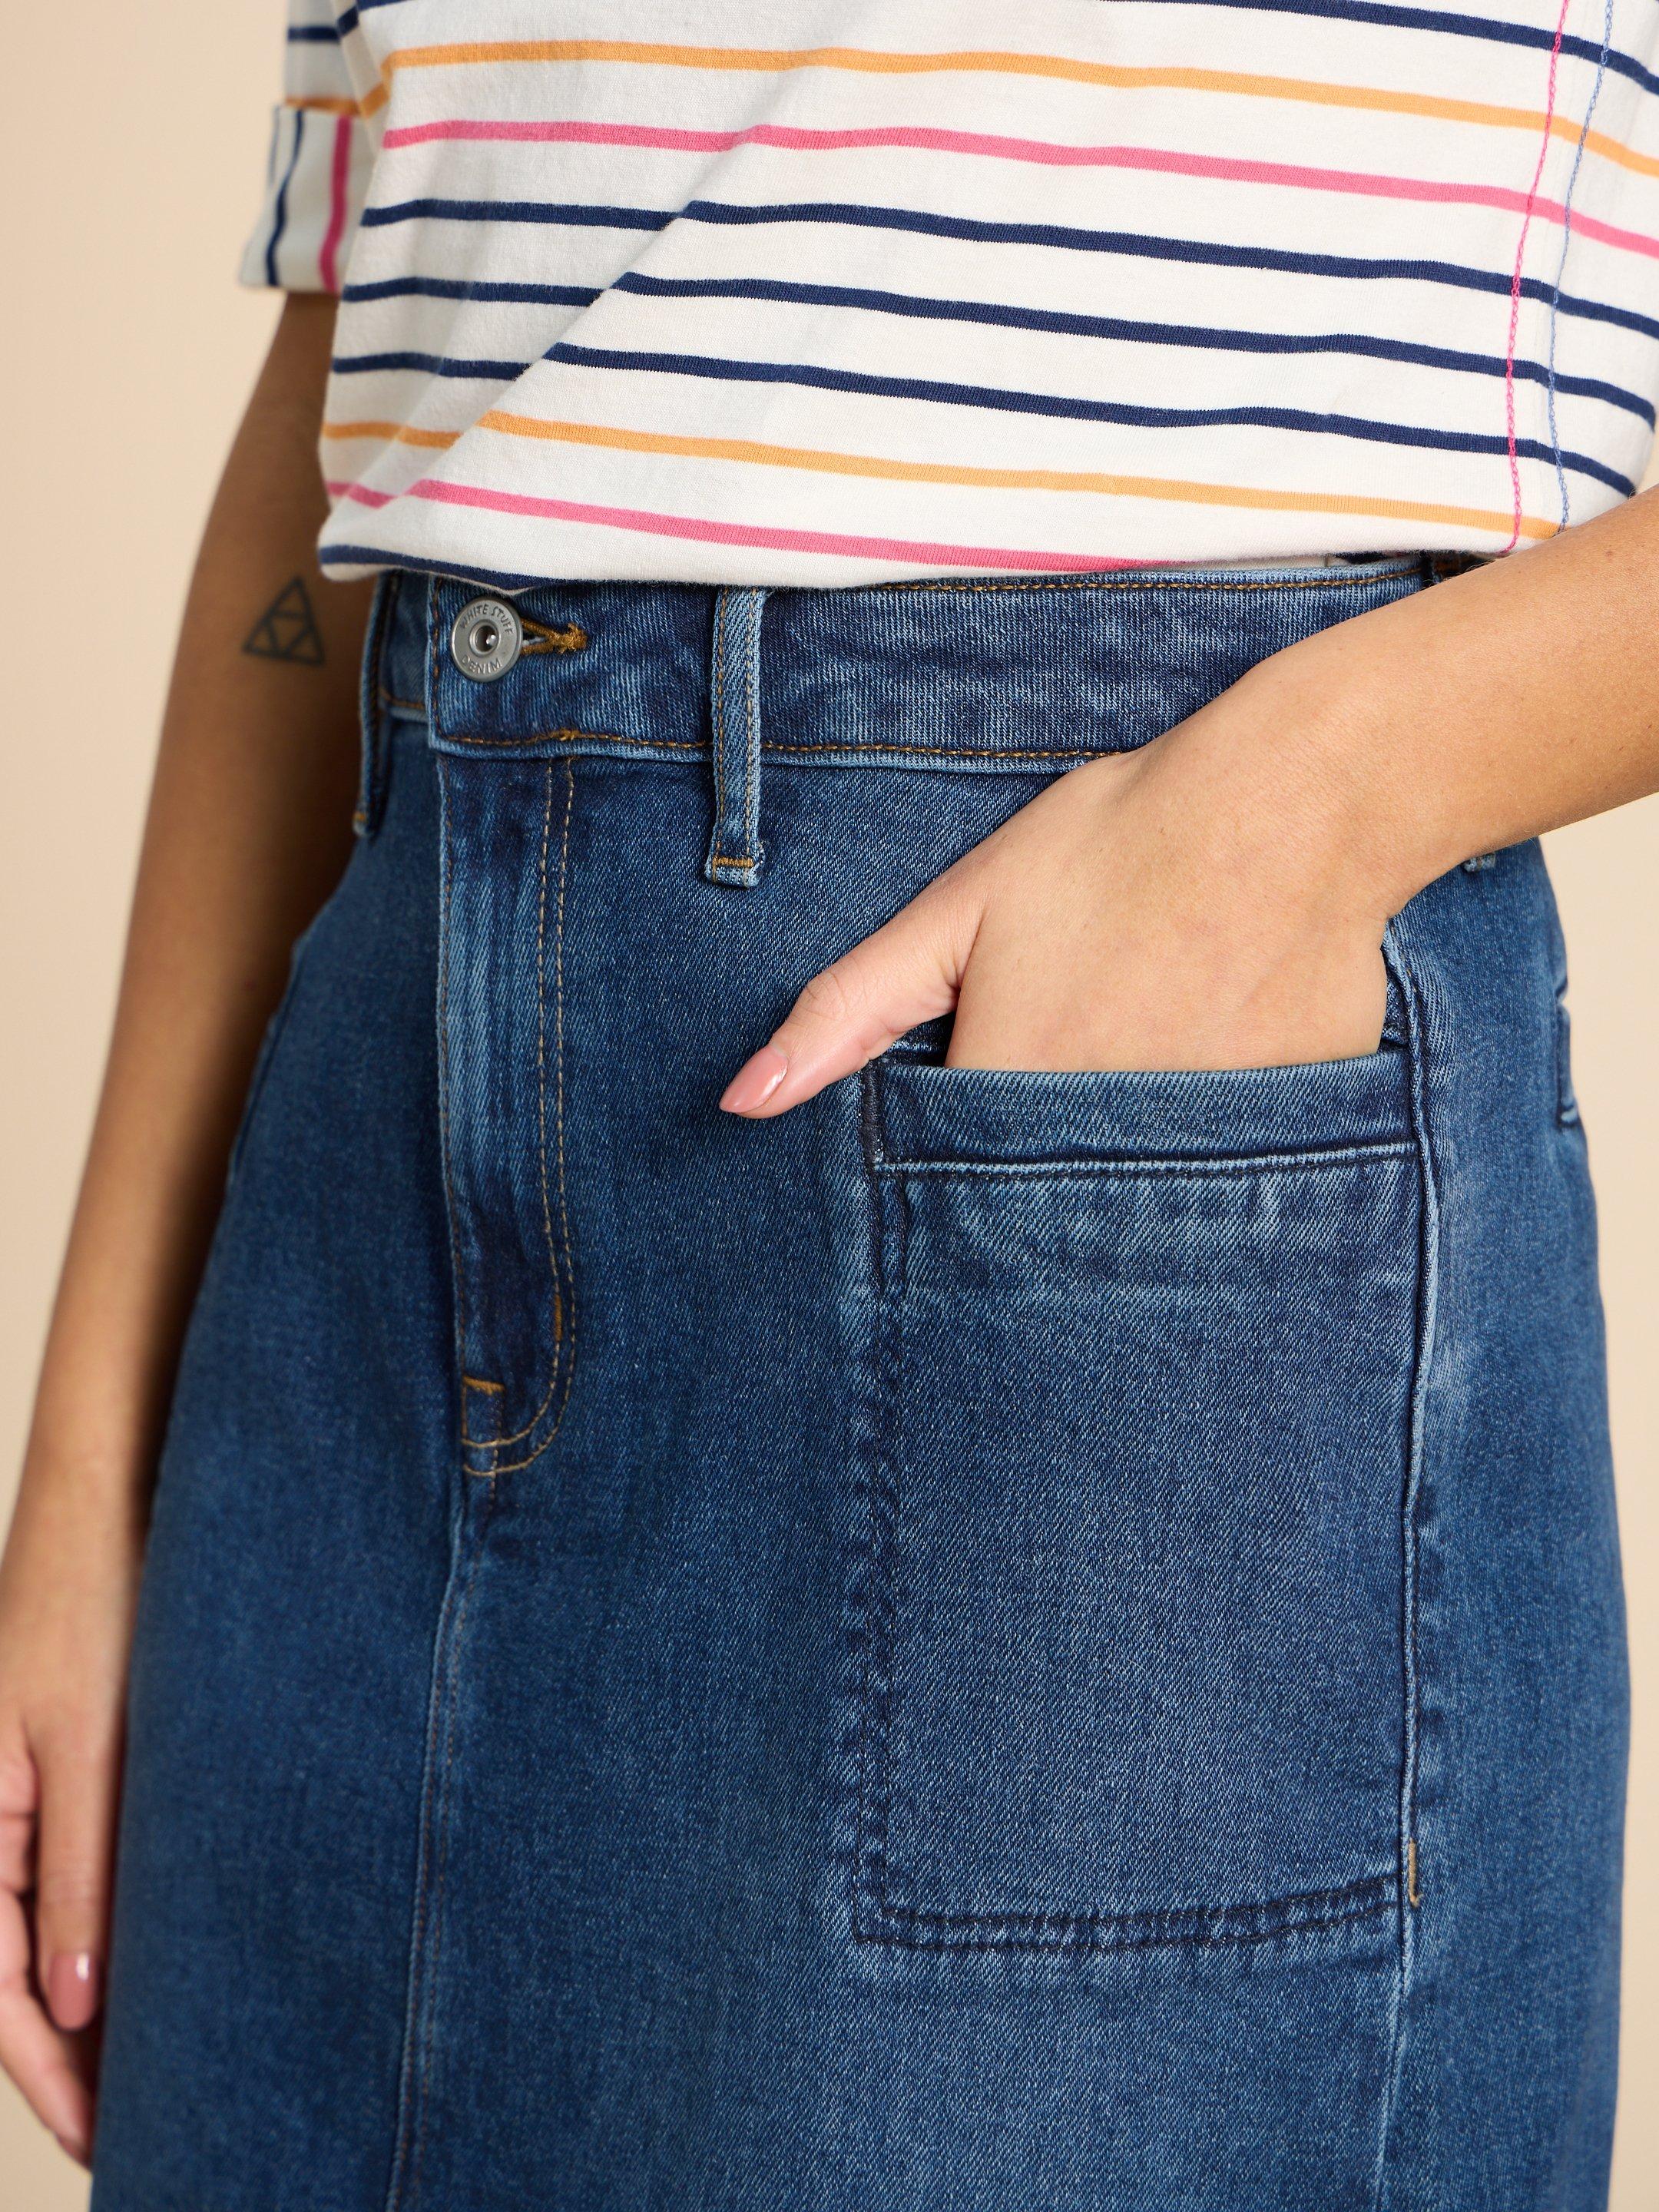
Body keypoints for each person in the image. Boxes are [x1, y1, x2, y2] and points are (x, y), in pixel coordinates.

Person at [1, 4, 1652, 2205]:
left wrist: (1304, 799)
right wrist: (94, 1468)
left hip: (1074, 1119)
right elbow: (363, 384)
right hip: (363, 1197)